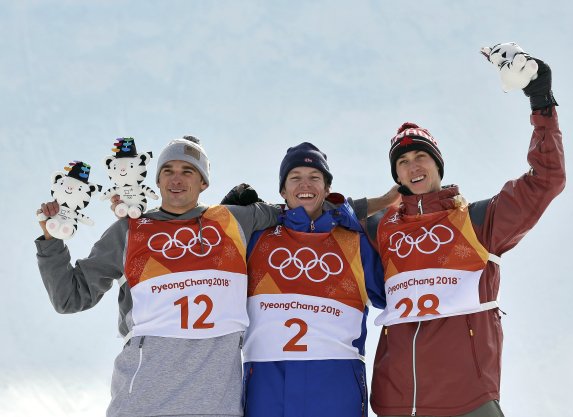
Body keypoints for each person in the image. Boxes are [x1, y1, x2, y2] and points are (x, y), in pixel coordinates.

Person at [35, 136, 397, 417]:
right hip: (142, 398)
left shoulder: (234, 220)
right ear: (157, 179)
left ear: (204, 181)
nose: (177, 179)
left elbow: (304, 206)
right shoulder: (131, 230)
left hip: (216, 402)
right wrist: (51, 242)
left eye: (188, 171)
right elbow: (71, 297)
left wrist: (378, 203)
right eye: (169, 171)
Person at [366, 54, 565, 416]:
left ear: (438, 164)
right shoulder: (380, 227)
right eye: (403, 161)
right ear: (397, 175)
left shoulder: (476, 220)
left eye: (421, 156)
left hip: (467, 399)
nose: (413, 166)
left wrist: (541, 103)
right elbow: (320, 222)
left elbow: (546, 181)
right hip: (395, 402)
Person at [240, 143, 386, 417]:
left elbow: (398, 295)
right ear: (282, 190)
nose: (304, 184)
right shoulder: (257, 238)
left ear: (327, 189)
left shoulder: (355, 242)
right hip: (267, 389)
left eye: (314, 177)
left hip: (336, 392)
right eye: (295, 177)